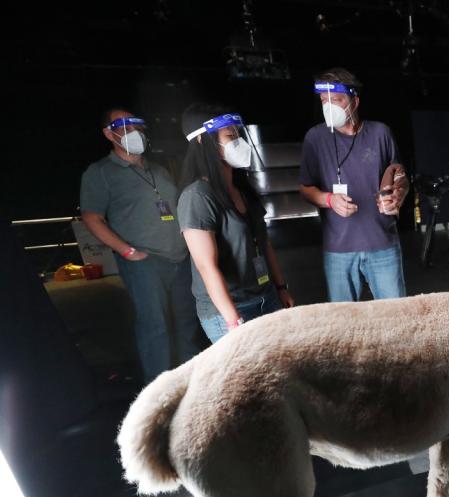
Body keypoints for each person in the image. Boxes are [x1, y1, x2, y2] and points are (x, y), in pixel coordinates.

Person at [80, 108, 202, 384]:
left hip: (179, 258)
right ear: (108, 134)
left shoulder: (158, 169)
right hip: (144, 261)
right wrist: (127, 251)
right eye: (123, 126)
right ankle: (158, 390)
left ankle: (191, 383)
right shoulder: (101, 172)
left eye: (137, 125)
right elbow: (92, 217)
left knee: (186, 323)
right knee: (154, 326)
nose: (133, 132)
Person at [177, 105, 293, 343]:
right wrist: (232, 319)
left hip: (266, 296)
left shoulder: (242, 191)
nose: (238, 142)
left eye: (237, 135)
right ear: (203, 141)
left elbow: (264, 243)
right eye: (230, 136)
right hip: (230, 309)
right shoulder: (197, 196)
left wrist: (280, 287)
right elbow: (205, 266)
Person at [298, 68, 410, 302]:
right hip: (338, 250)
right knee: (343, 326)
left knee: (396, 318)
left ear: (354, 101)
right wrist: (329, 200)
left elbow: (399, 175)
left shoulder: (381, 133)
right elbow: (305, 189)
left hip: (383, 244)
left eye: (336, 100)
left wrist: (398, 195)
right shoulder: (315, 138)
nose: (329, 107)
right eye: (324, 101)